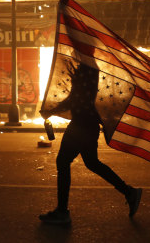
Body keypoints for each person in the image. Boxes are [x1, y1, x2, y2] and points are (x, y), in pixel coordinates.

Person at [39, 63, 142, 225]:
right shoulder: (87, 66)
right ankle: (129, 192)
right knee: (92, 163)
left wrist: (51, 110)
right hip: (87, 124)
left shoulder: (87, 67)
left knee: (64, 161)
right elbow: (76, 97)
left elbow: (76, 98)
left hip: (82, 125)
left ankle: (62, 212)